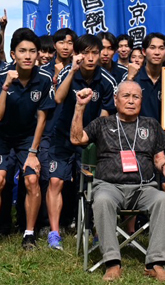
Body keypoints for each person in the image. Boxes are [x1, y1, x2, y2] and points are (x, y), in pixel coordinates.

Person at [71, 81, 165, 282]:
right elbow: (77, 139)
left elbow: (159, 158)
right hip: (109, 186)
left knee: (162, 199)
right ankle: (112, 262)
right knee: (101, 200)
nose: (130, 100)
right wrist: (79, 107)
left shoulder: (151, 124)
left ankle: (155, 263)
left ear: (141, 100)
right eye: (126, 96)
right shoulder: (102, 123)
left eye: (135, 97)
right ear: (115, 99)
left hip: (144, 187)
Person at [0, 28, 54, 253]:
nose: (28, 56)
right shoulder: (1, 73)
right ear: (13, 54)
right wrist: (6, 87)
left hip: (26, 137)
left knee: (32, 180)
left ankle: (29, 234)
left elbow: (42, 118)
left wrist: (33, 153)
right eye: (22, 51)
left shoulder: (43, 78)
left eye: (32, 51)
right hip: (0, 134)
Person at [46, 33, 116, 250]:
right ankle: (54, 233)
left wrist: (91, 139)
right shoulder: (69, 71)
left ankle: (96, 230)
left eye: (95, 52)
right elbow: (58, 98)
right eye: (85, 53)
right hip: (61, 138)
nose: (91, 57)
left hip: (89, 141)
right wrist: (73, 70)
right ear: (77, 55)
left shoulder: (106, 80)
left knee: (93, 187)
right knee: (56, 182)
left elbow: (106, 115)